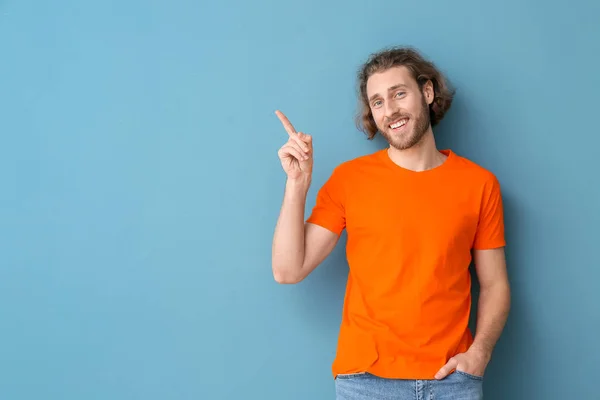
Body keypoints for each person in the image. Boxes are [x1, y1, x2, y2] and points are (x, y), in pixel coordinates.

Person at [271, 46, 511, 400]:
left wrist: (480, 353)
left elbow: (495, 285)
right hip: (366, 382)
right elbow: (288, 270)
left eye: (399, 93)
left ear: (427, 93)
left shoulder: (479, 184)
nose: (390, 110)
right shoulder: (349, 180)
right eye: (378, 101)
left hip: (452, 381)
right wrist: (297, 185)